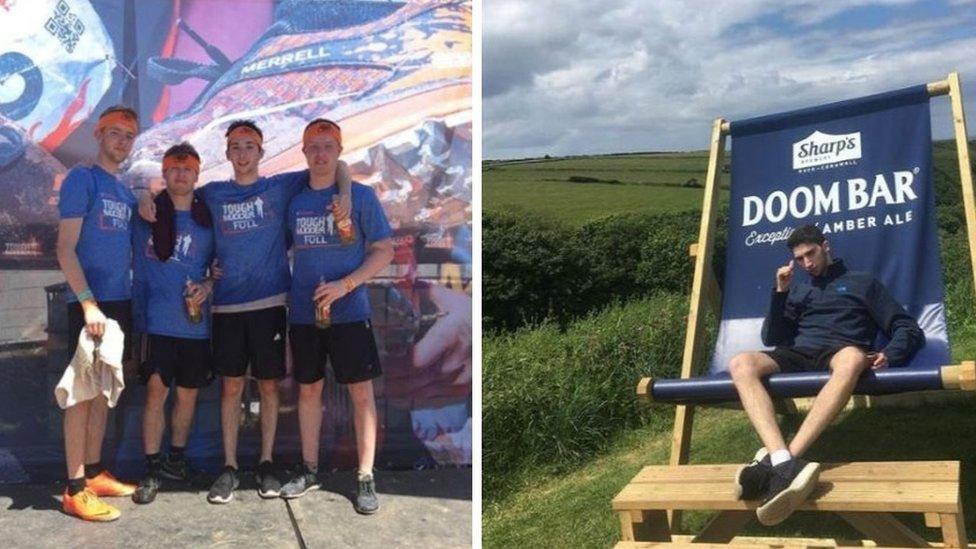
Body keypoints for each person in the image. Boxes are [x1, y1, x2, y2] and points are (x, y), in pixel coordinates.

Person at [138, 120, 350, 503]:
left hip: (269, 303)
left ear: (261, 151)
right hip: (226, 306)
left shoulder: (279, 186)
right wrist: (145, 197)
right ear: (227, 153)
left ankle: (266, 463)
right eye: (235, 146)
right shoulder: (213, 193)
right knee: (231, 387)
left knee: (268, 386)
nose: (242, 153)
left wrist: (347, 193)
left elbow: (336, 166)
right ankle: (231, 466)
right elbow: (174, 190)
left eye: (249, 146)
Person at [729, 224, 925, 526]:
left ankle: (777, 463)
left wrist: (891, 353)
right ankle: (784, 462)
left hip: (840, 353)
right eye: (800, 258)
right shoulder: (797, 290)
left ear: (826, 246)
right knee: (741, 363)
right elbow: (771, 338)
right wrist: (780, 293)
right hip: (798, 352)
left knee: (853, 359)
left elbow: (906, 327)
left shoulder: (862, 283)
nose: (807, 263)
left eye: (811, 253)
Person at [278, 119, 393, 514]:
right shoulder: (294, 198)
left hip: (349, 312)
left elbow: (384, 250)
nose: (321, 153)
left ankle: (365, 477)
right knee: (308, 390)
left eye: (328, 145)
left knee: (361, 393)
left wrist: (346, 285)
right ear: (304, 150)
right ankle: (309, 471)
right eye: (314, 146)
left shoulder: (360, 196)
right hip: (305, 315)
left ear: (340, 150)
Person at [55, 105, 140, 521]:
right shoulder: (81, 179)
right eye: (115, 133)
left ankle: (92, 474)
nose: (122, 142)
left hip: (119, 303)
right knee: (81, 395)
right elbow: (65, 249)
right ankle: (73, 490)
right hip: (89, 305)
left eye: (129, 136)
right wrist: (88, 302)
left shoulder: (124, 192)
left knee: (103, 391)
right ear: (99, 135)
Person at [131, 143, 215, 504]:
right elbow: (123, 189)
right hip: (156, 321)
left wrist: (208, 286)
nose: (181, 174)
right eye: (174, 168)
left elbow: (219, 269)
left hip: (195, 325)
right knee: (155, 393)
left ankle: (177, 460)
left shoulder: (208, 220)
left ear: (198, 175)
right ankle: (152, 468)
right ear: (163, 174)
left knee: (188, 394)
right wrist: (140, 194)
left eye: (188, 169)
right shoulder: (146, 214)